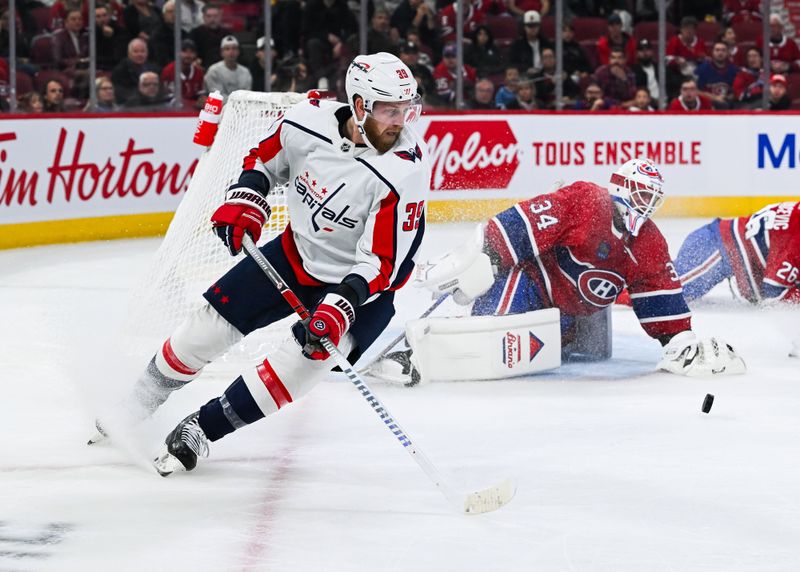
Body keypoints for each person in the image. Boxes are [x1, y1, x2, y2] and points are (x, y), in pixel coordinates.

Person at [95, 52, 430, 475]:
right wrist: (248, 196)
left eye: (406, 109)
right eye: (389, 110)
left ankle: (201, 428)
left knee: (296, 371)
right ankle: (134, 406)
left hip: (362, 291)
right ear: (360, 105)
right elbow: (264, 159)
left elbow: (384, 262)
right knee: (201, 332)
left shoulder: (404, 170)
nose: (401, 121)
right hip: (293, 255)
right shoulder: (306, 120)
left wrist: (341, 304)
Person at [369, 158, 746, 384]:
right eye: (642, 194)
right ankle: (415, 355)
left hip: (572, 312)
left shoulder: (649, 242)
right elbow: (521, 222)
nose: (647, 205)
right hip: (531, 281)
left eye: (653, 199)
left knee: (558, 356)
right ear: (622, 188)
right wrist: (487, 259)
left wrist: (677, 340)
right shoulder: (585, 199)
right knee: (492, 338)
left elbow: (660, 291)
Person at [674, 200, 800, 308]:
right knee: (667, 293)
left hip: (716, 242)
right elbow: (773, 292)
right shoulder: (795, 240)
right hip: (713, 247)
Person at [204, 35, 252, 100]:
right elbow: (217, 97)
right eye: (227, 49)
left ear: (238, 52)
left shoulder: (245, 72)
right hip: (220, 108)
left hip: (241, 108)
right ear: (221, 52)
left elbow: (247, 96)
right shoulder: (214, 71)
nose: (231, 52)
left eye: (234, 48)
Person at [161, 38, 205, 109]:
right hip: (173, 112)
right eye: (184, 51)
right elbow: (168, 99)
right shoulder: (168, 71)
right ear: (178, 53)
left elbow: (200, 95)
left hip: (194, 111)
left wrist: (202, 101)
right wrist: (193, 104)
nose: (188, 55)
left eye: (191, 52)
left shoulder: (198, 72)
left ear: (195, 55)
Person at [509, 10, 553, 76]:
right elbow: (511, 63)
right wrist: (526, 69)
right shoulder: (517, 44)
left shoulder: (545, 42)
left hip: (544, 76)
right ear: (524, 27)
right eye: (530, 26)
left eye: (536, 25)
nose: (533, 29)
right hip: (526, 77)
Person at [695, 41, 738, 109]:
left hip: (727, 104)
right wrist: (714, 98)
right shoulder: (702, 69)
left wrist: (726, 97)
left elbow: (737, 92)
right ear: (712, 52)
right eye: (717, 50)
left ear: (728, 53)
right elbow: (695, 90)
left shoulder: (734, 70)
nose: (720, 53)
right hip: (707, 104)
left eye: (723, 50)